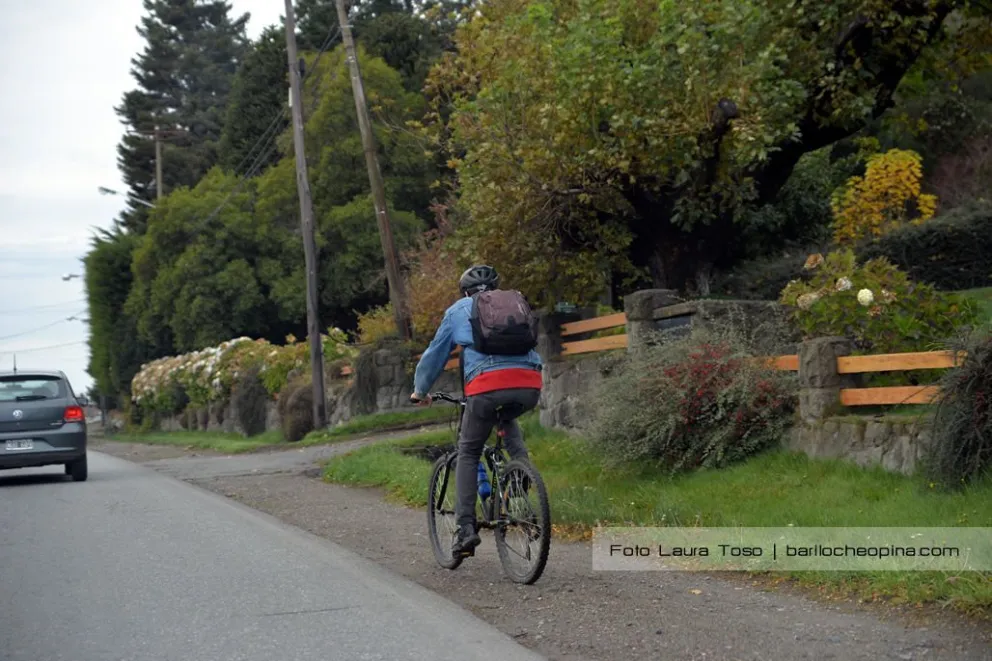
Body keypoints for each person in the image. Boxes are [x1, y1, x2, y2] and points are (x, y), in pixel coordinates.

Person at [410, 265, 543, 557]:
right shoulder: (515, 303)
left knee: (468, 450)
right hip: (530, 383)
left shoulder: (459, 310)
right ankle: (522, 476)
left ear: (465, 292)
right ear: (496, 288)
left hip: (485, 387)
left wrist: (420, 392)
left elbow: (434, 355)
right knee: (506, 416)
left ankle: (465, 530)